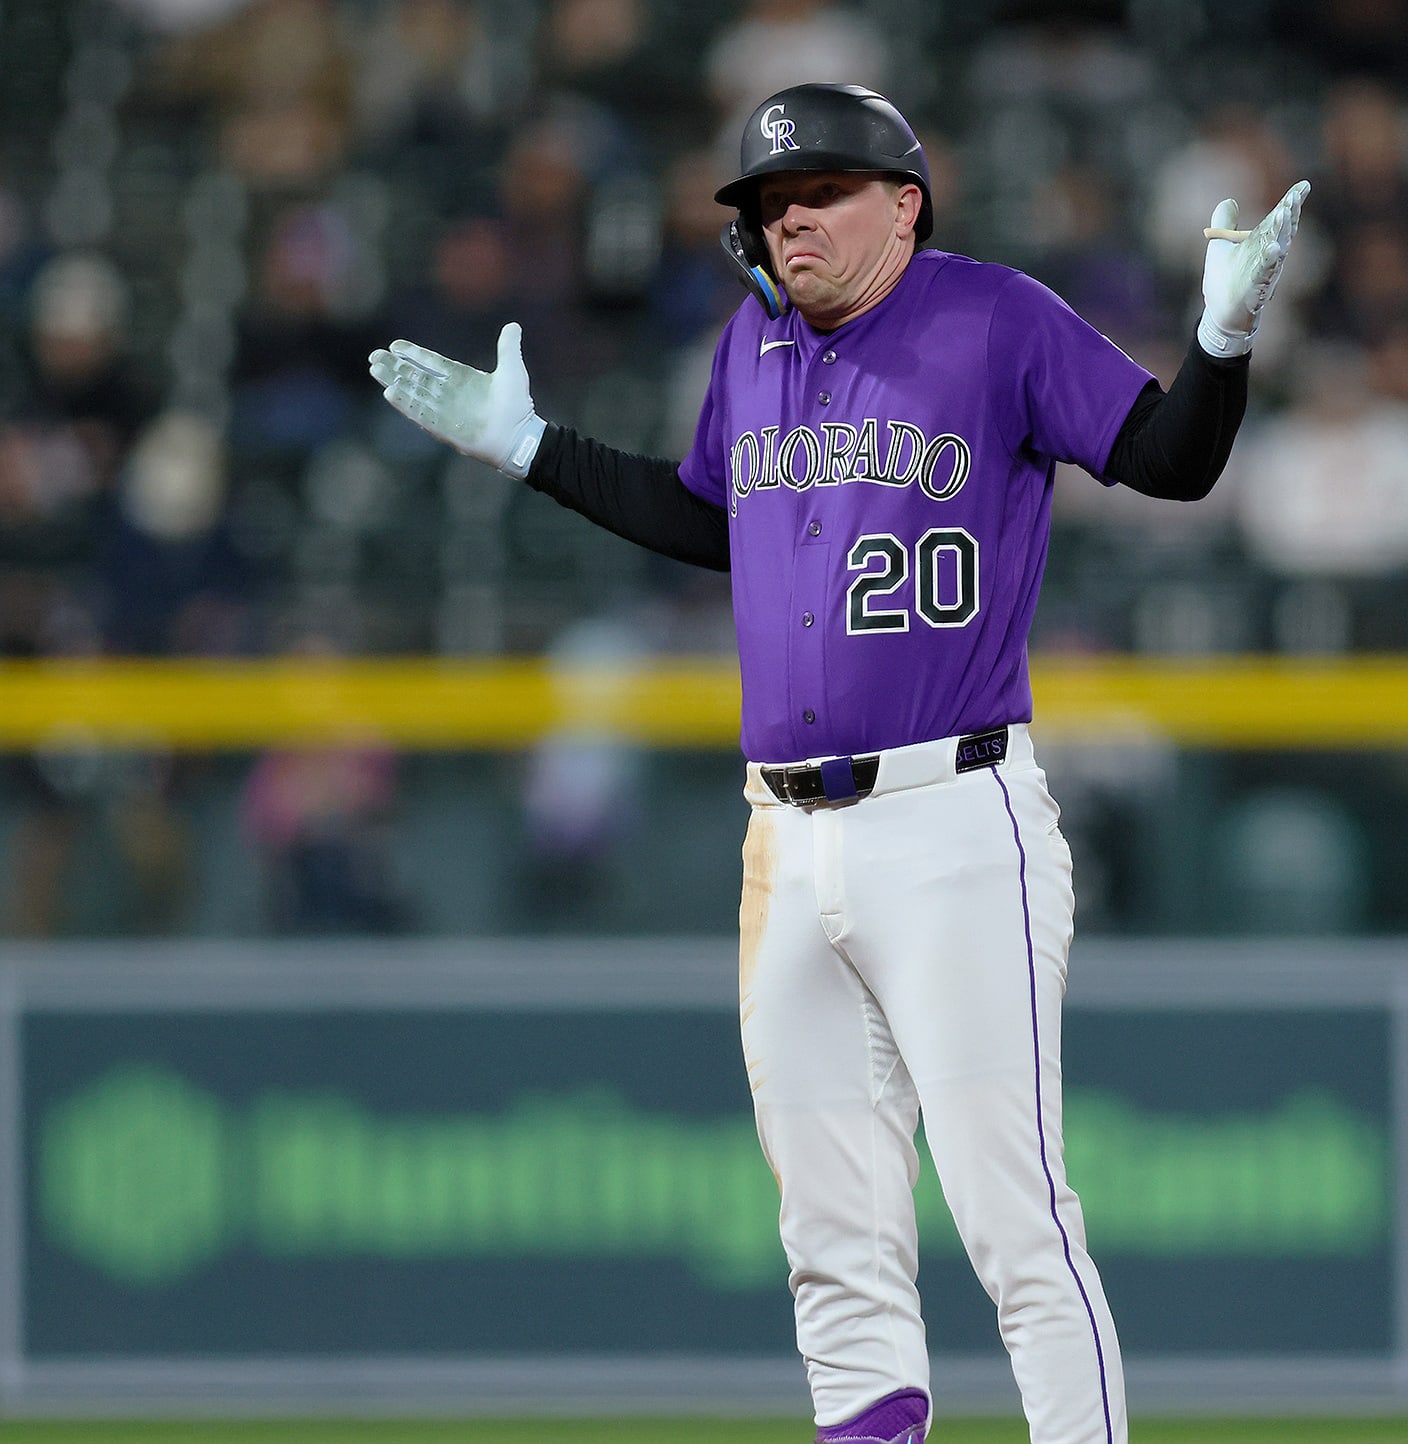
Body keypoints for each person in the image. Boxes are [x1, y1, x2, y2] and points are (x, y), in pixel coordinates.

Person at [367, 83, 1308, 1444]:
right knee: (830, 1234)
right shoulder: (752, 350)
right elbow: (713, 523)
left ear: (904, 204)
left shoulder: (996, 317)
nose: (788, 221)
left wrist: (1221, 340)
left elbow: (1169, 462)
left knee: (1016, 1226)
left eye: (820, 194)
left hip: (953, 813)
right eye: (766, 204)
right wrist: (533, 451)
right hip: (784, 841)